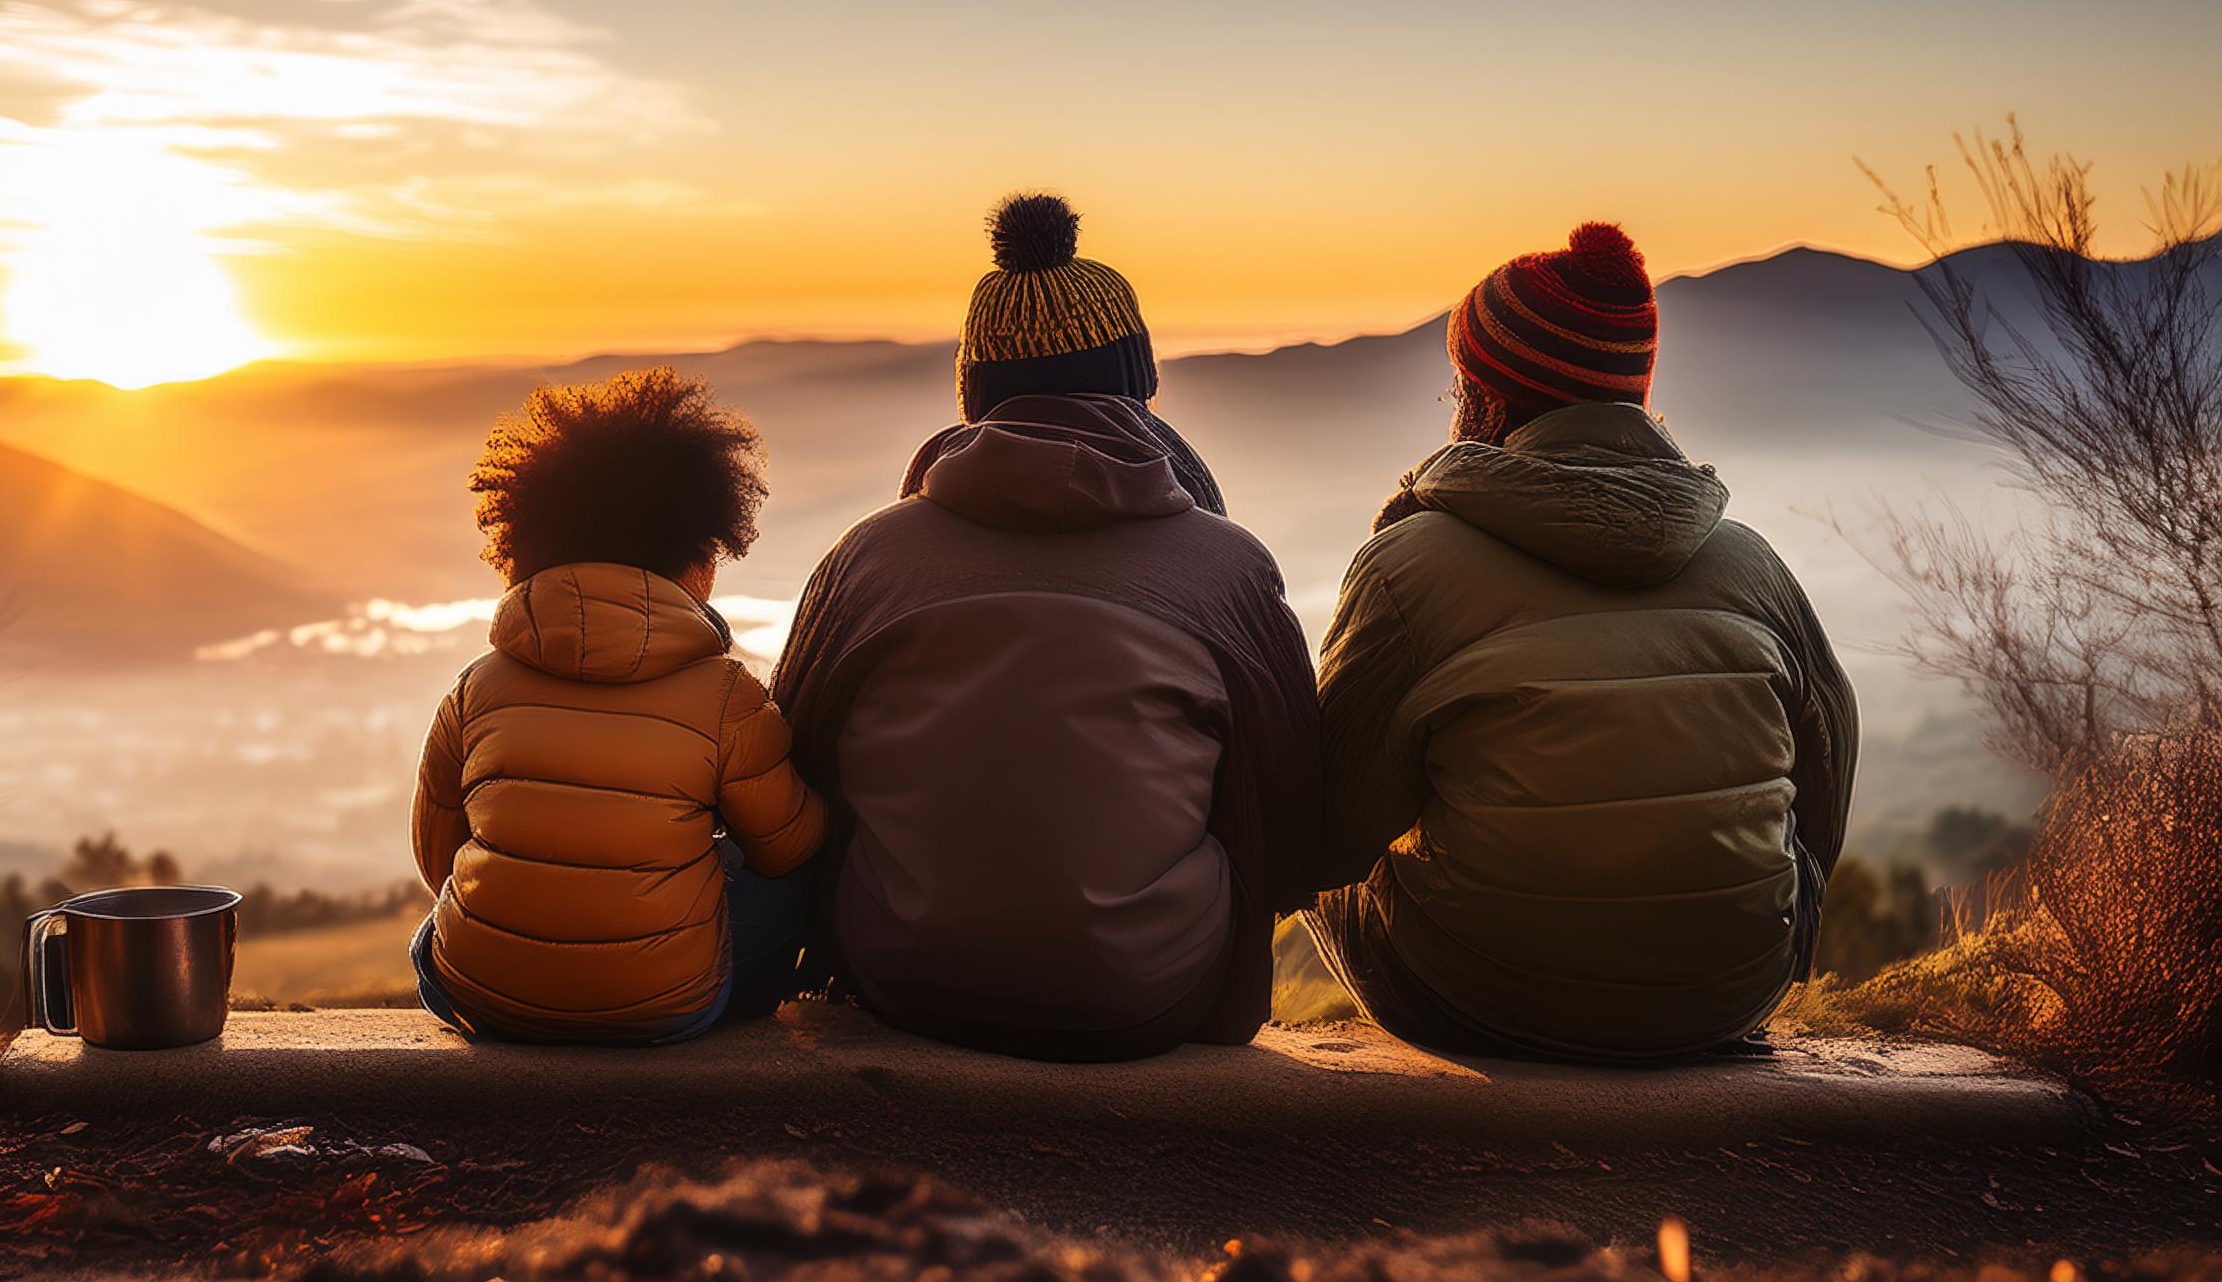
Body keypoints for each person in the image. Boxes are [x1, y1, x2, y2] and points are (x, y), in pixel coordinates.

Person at [771, 193, 1323, 1062]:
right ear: (1139, 382)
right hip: (1148, 998)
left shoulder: (868, 559)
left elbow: (789, 774)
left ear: (973, 392)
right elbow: (1297, 823)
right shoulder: (1229, 569)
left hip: (899, 982)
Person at [1307, 221, 1857, 1062]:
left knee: (1323, 843)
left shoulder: (1410, 562)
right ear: (1633, 397)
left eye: (1460, 383)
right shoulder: (1754, 564)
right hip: (1728, 993)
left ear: (1488, 400)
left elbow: (1328, 825)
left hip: (1478, 997)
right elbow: (1826, 774)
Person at [408, 368, 828, 1044]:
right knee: (780, 882)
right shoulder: (727, 695)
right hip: (664, 1009)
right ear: (698, 549)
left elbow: (438, 855)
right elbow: (789, 847)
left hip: (478, 996)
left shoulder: (475, 687)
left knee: (433, 931)